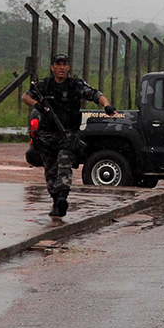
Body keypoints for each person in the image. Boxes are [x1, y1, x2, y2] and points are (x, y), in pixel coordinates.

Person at [21, 53, 115, 217]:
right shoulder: (44, 85)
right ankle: (56, 201)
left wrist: (106, 106)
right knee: (51, 172)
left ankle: (63, 198)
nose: (62, 68)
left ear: (68, 67)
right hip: (47, 136)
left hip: (67, 135)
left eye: (65, 64)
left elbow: (96, 95)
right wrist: (39, 106)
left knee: (64, 167)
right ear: (53, 68)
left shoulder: (75, 85)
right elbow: (25, 97)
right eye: (58, 64)